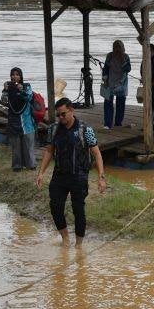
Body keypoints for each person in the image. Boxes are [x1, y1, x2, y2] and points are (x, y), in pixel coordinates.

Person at [36, 98, 106, 243]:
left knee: (78, 210)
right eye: (58, 115)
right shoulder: (53, 129)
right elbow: (49, 151)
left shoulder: (85, 129)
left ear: (71, 111)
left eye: (63, 114)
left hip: (79, 176)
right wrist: (41, 173)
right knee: (55, 206)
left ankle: (79, 246)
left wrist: (101, 177)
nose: (61, 118)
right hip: (59, 175)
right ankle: (65, 239)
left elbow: (96, 153)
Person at [1, 67, 37, 171]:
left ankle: (31, 165)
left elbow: (29, 97)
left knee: (28, 145)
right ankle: (17, 166)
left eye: (17, 74)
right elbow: (4, 100)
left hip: (26, 121)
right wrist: (5, 89)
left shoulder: (27, 86)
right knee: (15, 145)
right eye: (13, 74)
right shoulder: (9, 87)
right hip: (13, 120)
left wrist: (21, 91)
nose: (14, 76)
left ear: (21, 76)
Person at [100, 40, 131, 129]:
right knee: (108, 103)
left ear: (122, 48)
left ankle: (118, 122)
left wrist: (123, 61)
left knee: (120, 103)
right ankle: (107, 123)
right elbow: (105, 68)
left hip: (122, 82)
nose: (117, 49)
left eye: (119, 47)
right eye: (115, 47)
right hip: (110, 81)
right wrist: (105, 79)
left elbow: (128, 69)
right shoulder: (110, 56)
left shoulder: (126, 56)